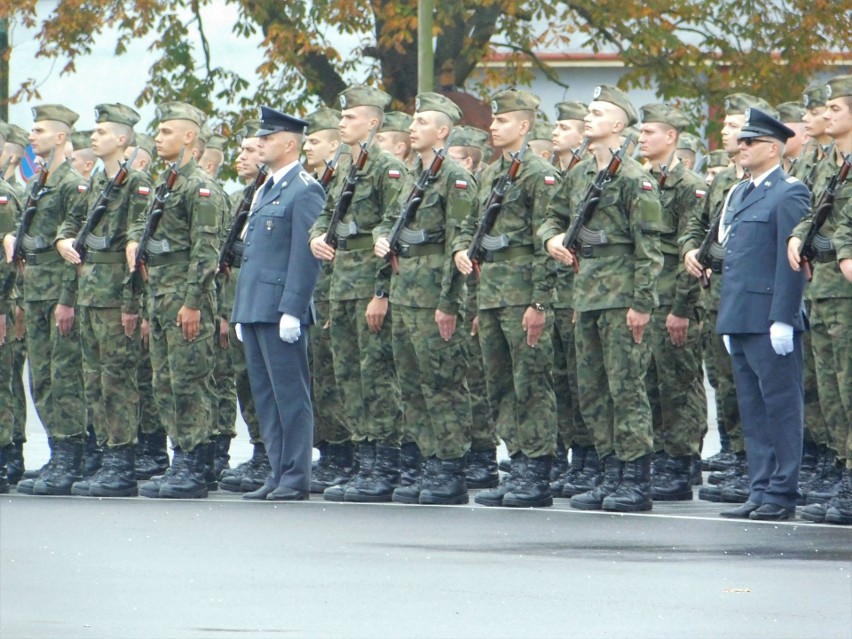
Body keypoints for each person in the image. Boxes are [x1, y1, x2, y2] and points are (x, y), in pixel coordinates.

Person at [540, 84, 663, 513]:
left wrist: (642, 304)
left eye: (597, 112)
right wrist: (552, 238)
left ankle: (635, 478)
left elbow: (650, 250)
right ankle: (610, 471)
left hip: (621, 297)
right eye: (587, 112)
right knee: (591, 389)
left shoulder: (634, 178)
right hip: (586, 295)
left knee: (625, 388)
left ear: (618, 124)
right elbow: (552, 217)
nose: (588, 118)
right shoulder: (578, 175)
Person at [453, 89, 561, 508]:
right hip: (493, 294)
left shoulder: (539, 174)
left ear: (524, 126)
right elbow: (472, 229)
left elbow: (546, 244)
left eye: (502, 121)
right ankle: (516, 461)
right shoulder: (491, 174)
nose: (493, 126)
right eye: (493, 121)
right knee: (500, 384)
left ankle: (537, 472)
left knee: (530, 383)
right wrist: (463, 251)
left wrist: (539, 303)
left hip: (522, 295)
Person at [374, 92, 475, 505]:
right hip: (405, 293)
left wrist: (449, 302)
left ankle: (450, 467)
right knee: (412, 385)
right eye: (412, 121)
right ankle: (426, 461)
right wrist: (382, 239)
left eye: (421, 122)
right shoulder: (414, 175)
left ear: (443, 131)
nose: (412, 127)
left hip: (434, 295)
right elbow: (389, 222)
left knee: (443, 385)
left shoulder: (455, 177)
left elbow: (460, 240)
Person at [309, 85, 405, 503]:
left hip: (368, 285)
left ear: (372, 122)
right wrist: (316, 237)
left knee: (376, 378)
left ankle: (385, 463)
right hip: (342, 286)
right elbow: (327, 216)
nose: (342, 123)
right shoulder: (347, 167)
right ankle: (363, 461)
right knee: (348, 376)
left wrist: (381, 291)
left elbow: (393, 230)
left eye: (349, 118)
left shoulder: (387, 169)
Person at [126, 101, 225, 499]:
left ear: (189, 137)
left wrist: (194, 303)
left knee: (189, 383)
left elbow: (206, 252)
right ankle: (180, 454)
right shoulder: (167, 183)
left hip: (186, 298)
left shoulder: (199, 187)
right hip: (162, 297)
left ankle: (195, 464)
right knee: (165, 382)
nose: (158, 137)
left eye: (166, 131)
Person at [716, 107, 810, 521]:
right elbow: (735, 258)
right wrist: (728, 317)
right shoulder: (739, 192)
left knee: (780, 407)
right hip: (740, 315)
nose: (741, 147)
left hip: (770, 317)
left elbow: (789, 259)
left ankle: (781, 491)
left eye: (750, 142)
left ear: (773, 148)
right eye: (742, 141)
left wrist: (784, 317)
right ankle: (759, 488)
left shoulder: (789, 191)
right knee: (752, 408)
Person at [55, 103, 153, 497]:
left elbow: (137, 245)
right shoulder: (96, 182)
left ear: (122, 139)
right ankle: (104, 452)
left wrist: (132, 306)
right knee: (94, 379)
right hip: (90, 292)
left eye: (100, 132)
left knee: (117, 380)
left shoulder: (136, 183)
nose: (93, 138)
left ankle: (121, 460)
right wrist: (63, 239)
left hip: (116, 296)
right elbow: (72, 222)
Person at [231, 106, 325, 501]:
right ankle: (276, 469)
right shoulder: (266, 187)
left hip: (280, 308)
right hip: (255, 306)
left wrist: (293, 308)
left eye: (267, 139)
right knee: (265, 396)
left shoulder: (305, 189)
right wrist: (242, 308)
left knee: (290, 395)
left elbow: (304, 257)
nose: (260, 145)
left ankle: (295, 476)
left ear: (289, 143)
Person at [3, 105, 89, 496]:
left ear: (60, 137)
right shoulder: (41, 181)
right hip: (35, 290)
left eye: (39, 130)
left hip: (58, 291)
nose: (31, 136)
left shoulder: (73, 184)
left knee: (64, 377)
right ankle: (58, 452)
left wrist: (67, 300)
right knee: (42, 378)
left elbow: (77, 251)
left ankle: (71, 455)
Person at [788, 74, 852, 524]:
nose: (826, 116)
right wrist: (798, 237)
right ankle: (841, 469)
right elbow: (813, 213)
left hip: (845, 287)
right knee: (831, 391)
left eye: (835, 109)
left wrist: (842, 248)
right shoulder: (832, 163)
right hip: (825, 289)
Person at [638, 103, 707, 501]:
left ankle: (681, 461)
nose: (642, 138)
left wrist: (682, 308)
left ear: (671, 138)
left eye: (650, 132)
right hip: (648, 296)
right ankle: (661, 455)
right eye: (641, 132)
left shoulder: (690, 186)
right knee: (649, 380)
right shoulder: (639, 180)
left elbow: (691, 253)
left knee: (677, 383)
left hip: (675, 298)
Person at [300, 107, 355, 494]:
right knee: (320, 376)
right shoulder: (319, 182)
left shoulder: (340, 180)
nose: (307, 147)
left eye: (315, 141)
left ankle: (344, 453)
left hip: (341, 288)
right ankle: (329, 450)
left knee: (339, 377)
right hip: (318, 290)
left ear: (335, 145)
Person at [217, 119, 270, 493]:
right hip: (239, 298)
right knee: (245, 378)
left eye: (251, 150)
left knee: (266, 380)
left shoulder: (276, 195)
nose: (243, 156)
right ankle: (260, 449)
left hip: (263, 300)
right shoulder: (245, 196)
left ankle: (272, 453)